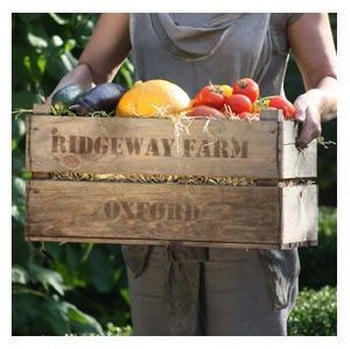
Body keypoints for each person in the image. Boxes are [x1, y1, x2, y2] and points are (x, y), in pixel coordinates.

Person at [47, 13, 337, 335]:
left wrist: (314, 100)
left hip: (250, 221)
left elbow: (329, 80)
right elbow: (93, 69)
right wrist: (61, 100)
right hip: (155, 216)